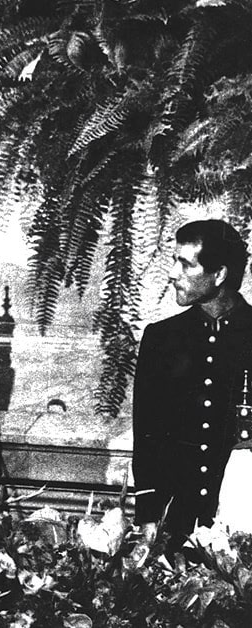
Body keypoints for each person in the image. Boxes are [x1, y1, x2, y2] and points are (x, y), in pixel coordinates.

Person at [132, 219, 252, 541]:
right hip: (175, 529)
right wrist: (147, 519)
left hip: (241, 532)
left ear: (220, 275)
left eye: (185, 263)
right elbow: (147, 440)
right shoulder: (161, 340)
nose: (172, 273)